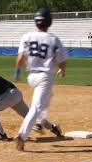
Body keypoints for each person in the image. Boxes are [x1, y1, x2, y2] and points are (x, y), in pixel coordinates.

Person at [13, 7, 66, 151]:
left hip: (32, 76)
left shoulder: (27, 36)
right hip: (44, 77)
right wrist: (62, 69)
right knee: (37, 107)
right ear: (49, 22)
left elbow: (20, 58)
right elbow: (62, 61)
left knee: (45, 102)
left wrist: (17, 72)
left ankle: (40, 122)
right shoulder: (53, 39)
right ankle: (22, 135)